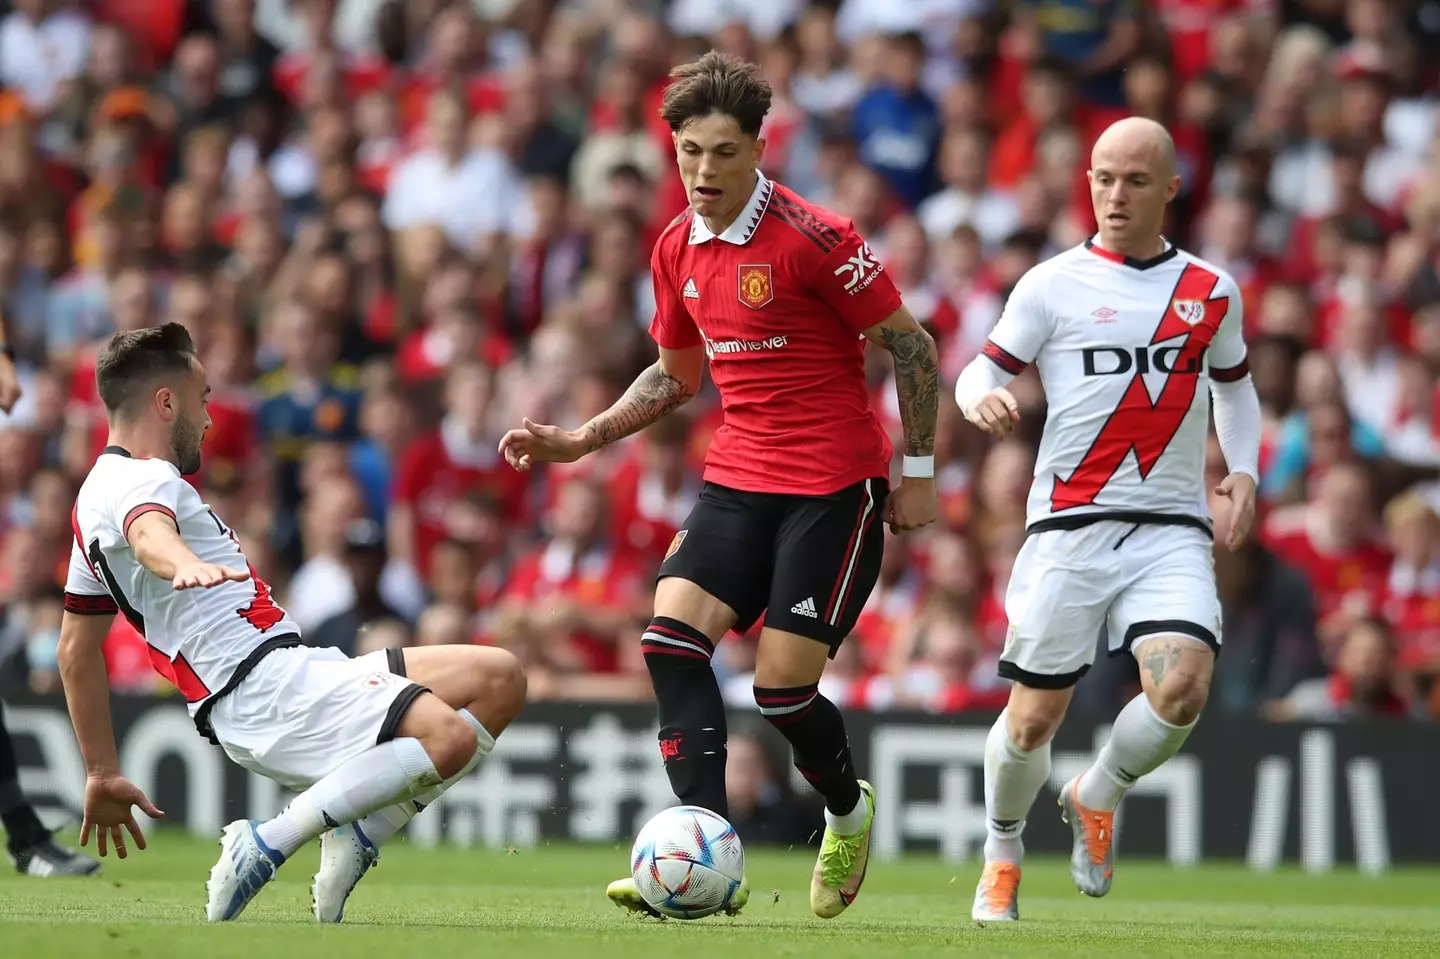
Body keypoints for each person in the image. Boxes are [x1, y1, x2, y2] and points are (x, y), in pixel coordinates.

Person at [499, 51, 940, 920]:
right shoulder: (673, 249)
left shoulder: (819, 239)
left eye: (724, 153)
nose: (704, 171)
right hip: (739, 476)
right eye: (689, 151)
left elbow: (915, 347)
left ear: (759, 149)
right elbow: (674, 376)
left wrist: (918, 473)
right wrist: (584, 437)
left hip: (833, 486)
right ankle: (703, 845)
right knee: (668, 642)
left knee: (780, 691)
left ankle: (847, 814)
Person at [55, 324, 527, 923]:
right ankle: (267, 842)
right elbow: (149, 533)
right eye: (202, 400)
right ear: (165, 402)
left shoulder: (90, 501)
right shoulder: (144, 479)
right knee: (448, 737)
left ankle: (358, 833)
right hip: (261, 688)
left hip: (285, 674)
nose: (208, 419)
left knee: (499, 678)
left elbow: (75, 649)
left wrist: (100, 771)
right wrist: (184, 563)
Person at [953, 117, 1261, 921]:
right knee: (1031, 720)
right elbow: (978, 369)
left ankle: (1099, 790)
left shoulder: (1210, 290)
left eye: (1132, 180)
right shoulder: (1052, 283)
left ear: (1170, 189)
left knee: (1184, 687)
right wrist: (980, 396)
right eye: (1101, 178)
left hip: (1170, 528)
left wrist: (1245, 469)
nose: (1114, 195)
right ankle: (1003, 848)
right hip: (1070, 527)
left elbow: (1234, 383)